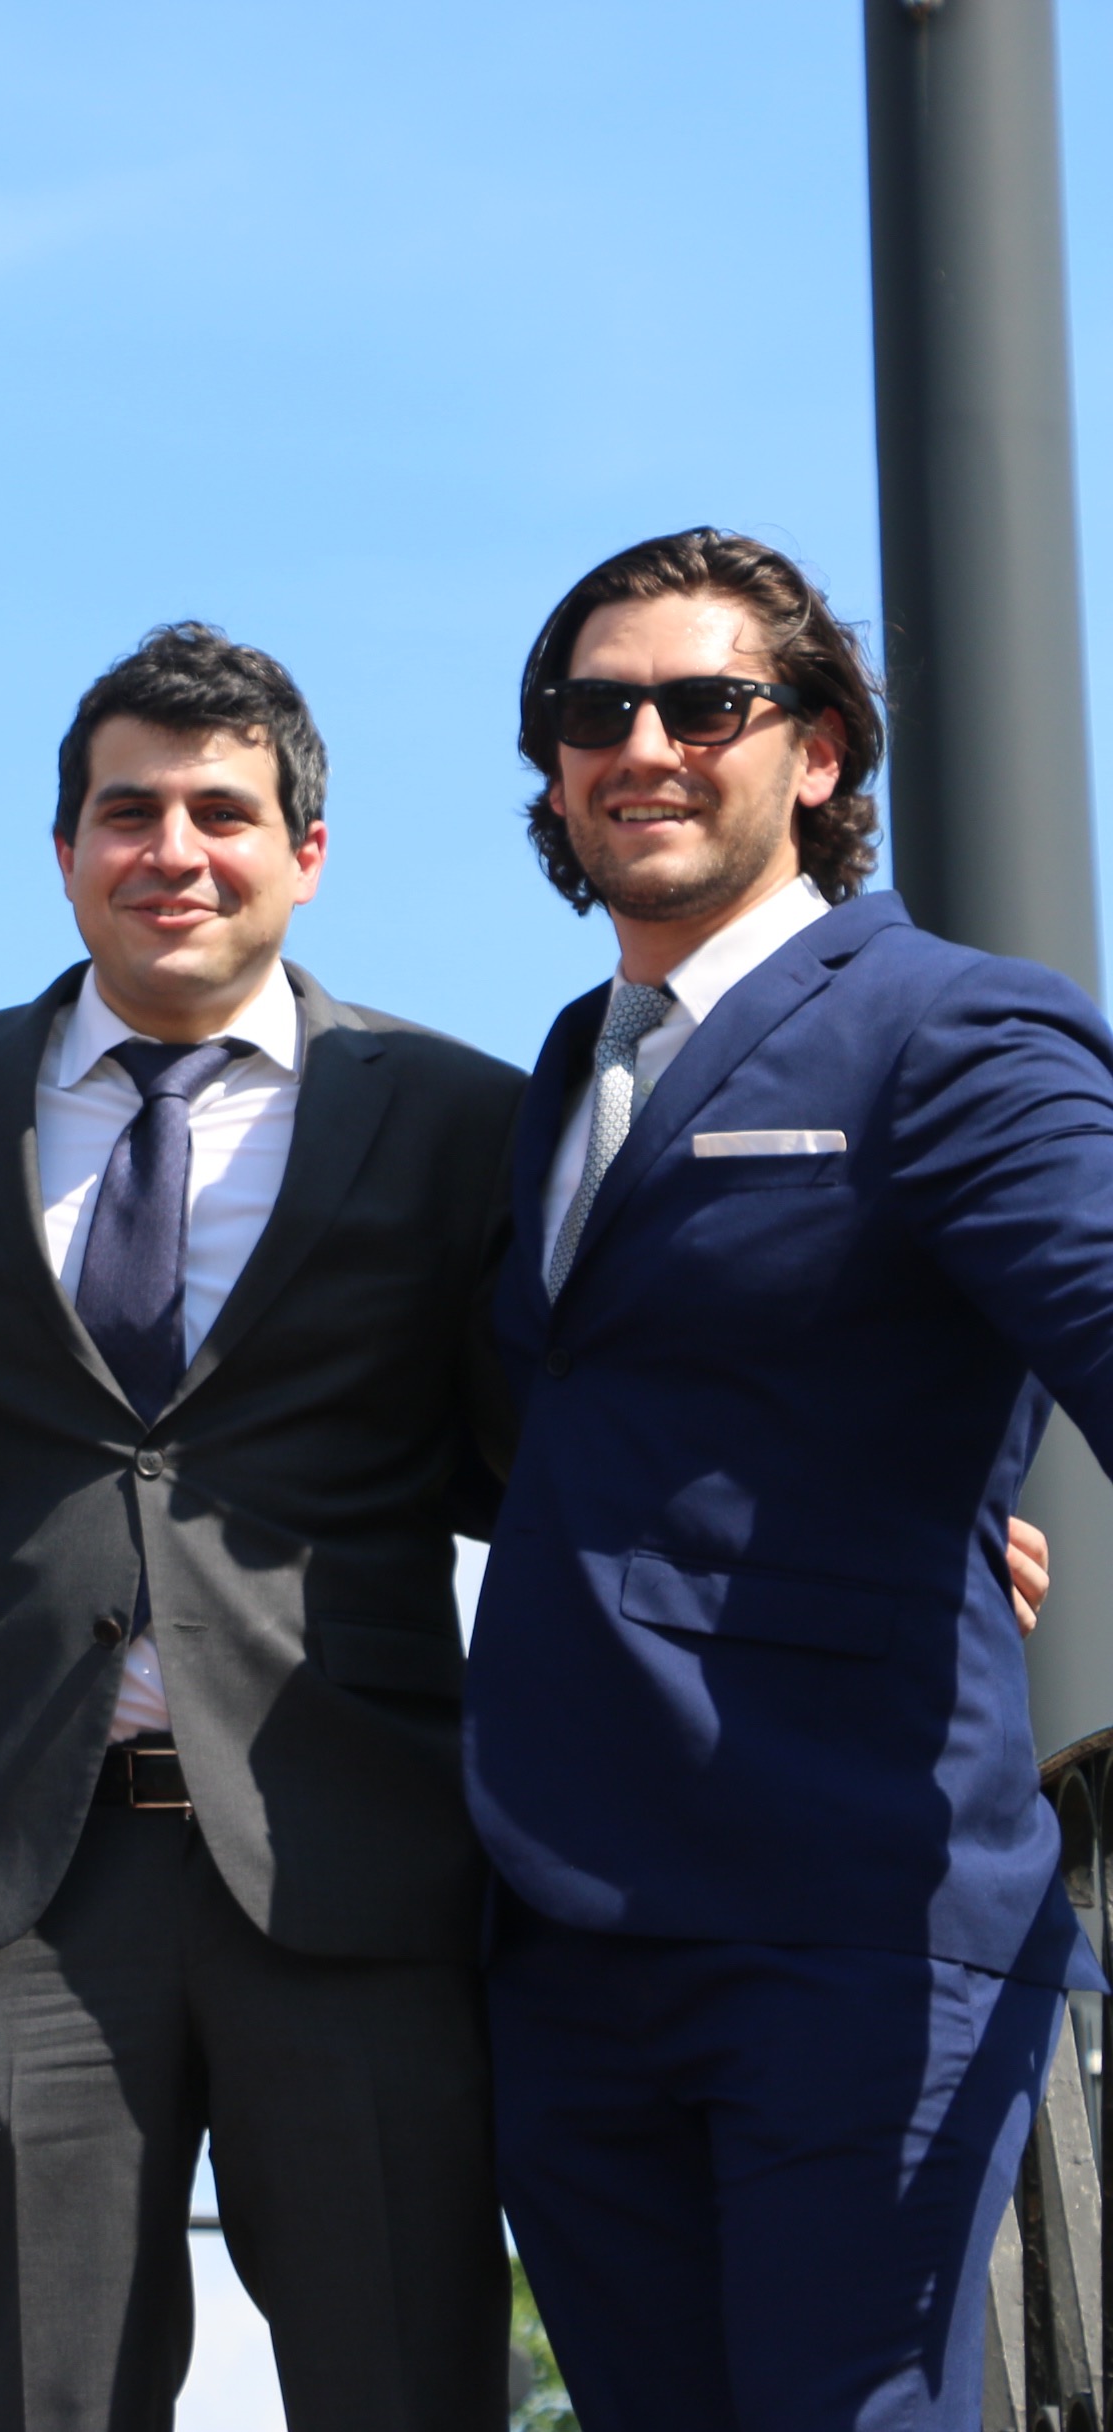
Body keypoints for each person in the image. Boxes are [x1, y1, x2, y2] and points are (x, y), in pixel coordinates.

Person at [0, 624, 524, 2432]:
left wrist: (895, 1511)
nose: (172, 851)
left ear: (307, 852)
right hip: (14, 1879)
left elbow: (561, 1439)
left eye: (222, 811)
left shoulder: (456, 1118)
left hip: (355, 1860)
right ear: (65, 851)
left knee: (405, 2390)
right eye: (128, 813)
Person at [469, 529, 1113, 2431]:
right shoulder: (573, 1066)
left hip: (850, 1916)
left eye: (704, 705)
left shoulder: (951, 1026)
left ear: (819, 752)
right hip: (569, 1932)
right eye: (594, 711)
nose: (642, 747)